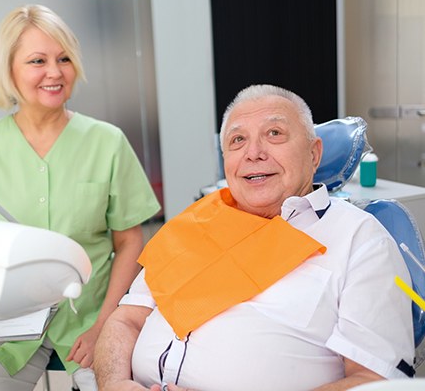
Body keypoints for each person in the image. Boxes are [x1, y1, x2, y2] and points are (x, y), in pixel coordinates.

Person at [93, 84, 415, 391]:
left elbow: (372, 381)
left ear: (314, 154)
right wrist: (115, 383)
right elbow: (125, 321)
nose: (253, 153)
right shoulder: (193, 223)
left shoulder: (360, 240)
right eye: (237, 140)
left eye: (274, 134)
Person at [0, 4, 160, 391]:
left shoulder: (107, 142)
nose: (55, 72)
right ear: (9, 70)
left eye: (64, 58)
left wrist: (105, 324)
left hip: (90, 318)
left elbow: (129, 242)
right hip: (6, 324)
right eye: (37, 60)